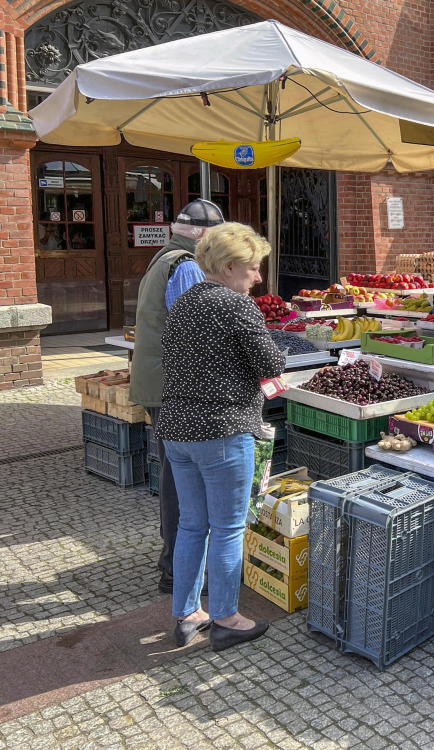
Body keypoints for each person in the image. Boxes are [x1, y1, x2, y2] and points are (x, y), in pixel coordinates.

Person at [157, 222, 285, 651]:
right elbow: (270, 362)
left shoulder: (186, 300)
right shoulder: (236, 306)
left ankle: (187, 614)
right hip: (222, 432)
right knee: (228, 528)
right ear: (231, 266)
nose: (258, 277)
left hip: (177, 430)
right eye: (253, 268)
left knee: (192, 525)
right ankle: (228, 617)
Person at [129, 199, 225, 596]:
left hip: (162, 382)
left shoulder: (164, 256)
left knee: (176, 473)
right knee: (183, 479)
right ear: (203, 236)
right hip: (174, 388)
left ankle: (176, 563)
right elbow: (194, 335)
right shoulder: (185, 264)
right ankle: (176, 569)